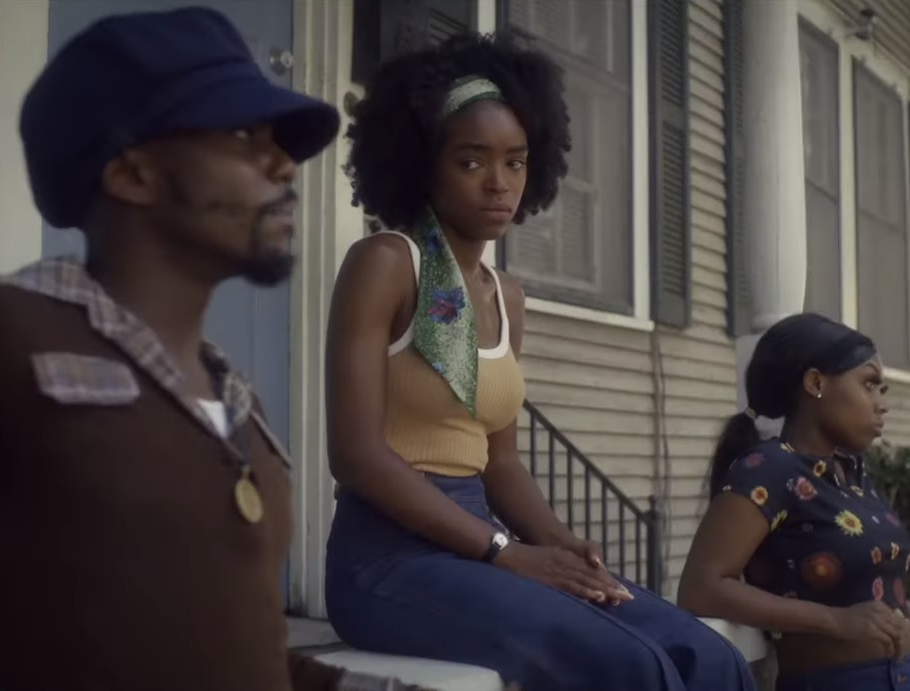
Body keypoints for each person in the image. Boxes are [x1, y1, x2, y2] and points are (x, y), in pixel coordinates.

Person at [0, 7, 432, 691]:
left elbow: (233, 654)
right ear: (134, 174)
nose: (284, 164)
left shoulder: (237, 406)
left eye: (279, 141)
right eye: (243, 135)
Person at [322, 31, 757, 691]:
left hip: (477, 545)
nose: (499, 183)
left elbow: (499, 464)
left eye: (515, 161)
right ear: (422, 162)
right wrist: (504, 550)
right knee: (632, 666)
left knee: (709, 656)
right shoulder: (383, 263)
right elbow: (356, 455)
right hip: (386, 561)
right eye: (471, 161)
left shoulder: (508, 299)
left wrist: (558, 543)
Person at [677, 314, 910, 691]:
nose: (881, 404)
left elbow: (848, 579)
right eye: (869, 384)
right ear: (816, 383)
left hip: (908, 677)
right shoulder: (770, 469)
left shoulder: (851, 474)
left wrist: (903, 612)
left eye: (882, 390)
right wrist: (834, 621)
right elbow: (701, 588)